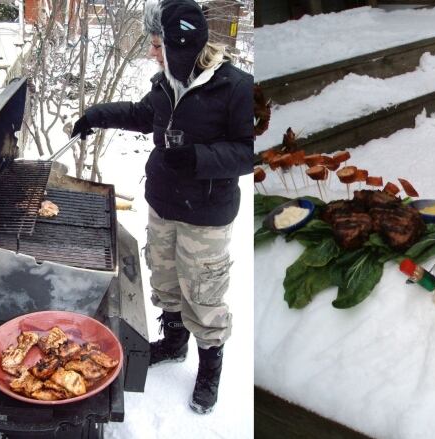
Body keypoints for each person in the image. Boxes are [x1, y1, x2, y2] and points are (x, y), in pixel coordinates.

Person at [71, 0, 252, 414]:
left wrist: (198, 158)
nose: (152, 53)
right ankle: (173, 342)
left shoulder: (237, 88)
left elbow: (249, 151)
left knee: (204, 293)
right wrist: (97, 115)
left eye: (158, 45)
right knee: (165, 278)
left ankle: (209, 371)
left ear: (182, 45)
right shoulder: (167, 83)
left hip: (206, 216)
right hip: (162, 203)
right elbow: (142, 115)